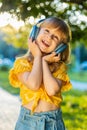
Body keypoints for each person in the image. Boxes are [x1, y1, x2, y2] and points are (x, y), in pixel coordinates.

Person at [9, 16, 72, 130]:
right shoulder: (22, 63)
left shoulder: (60, 68)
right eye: (46, 31)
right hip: (27, 121)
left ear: (60, 47)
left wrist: (44, 61)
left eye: (55, 37)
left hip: (53, 122)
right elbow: (33, 84)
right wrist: (38, 56)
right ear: (35, 33)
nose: (49, 37)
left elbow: (52, 90)